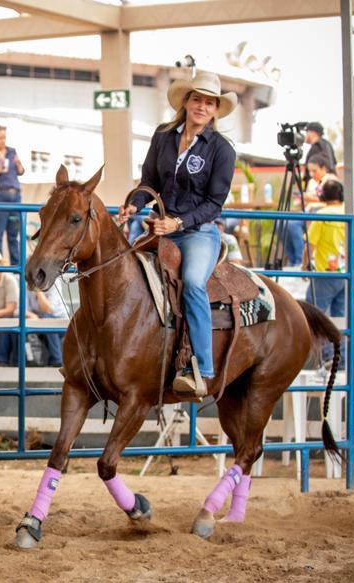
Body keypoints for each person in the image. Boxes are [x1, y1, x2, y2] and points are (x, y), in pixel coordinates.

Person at [119, 71, 237, 397]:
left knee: (194, 283)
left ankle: (201, 367)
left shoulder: (221, 150)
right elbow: (149, 181)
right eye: (196, 99)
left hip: (198, 232)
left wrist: (178, 223)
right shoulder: (164, 136)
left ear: (215, 110)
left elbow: (215, 203)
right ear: (185, 102)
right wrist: (134, 204)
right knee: (123, 271)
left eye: (208, 102)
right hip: (158, 228)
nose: (201, 106)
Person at [305, 178, 348, 366]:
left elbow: (311, 244)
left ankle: (327, 357)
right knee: (341, 318)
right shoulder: (349, 212)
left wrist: (304, 265)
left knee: (316, 315)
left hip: (324, 273)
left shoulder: (321, 215)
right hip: (345, 272)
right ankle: (342, 359)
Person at [0, 125, 25, 265]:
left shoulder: (12, 151)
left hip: (15, 196)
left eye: (5, 138)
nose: (3, 141)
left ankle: (17, 266)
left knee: (13, 234)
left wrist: (19, 164)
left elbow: (21, 171)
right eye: (0, 138)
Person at [26, 286, 66, 366]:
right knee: (23, 323)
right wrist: (32, 315)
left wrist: (37, 290)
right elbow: (22, 309)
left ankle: (56, 361)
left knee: (47, 319)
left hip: (59, 322)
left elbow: (48, 309)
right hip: (37, 321)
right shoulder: (26, 283)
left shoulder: (54, 282)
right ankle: (32, 362)